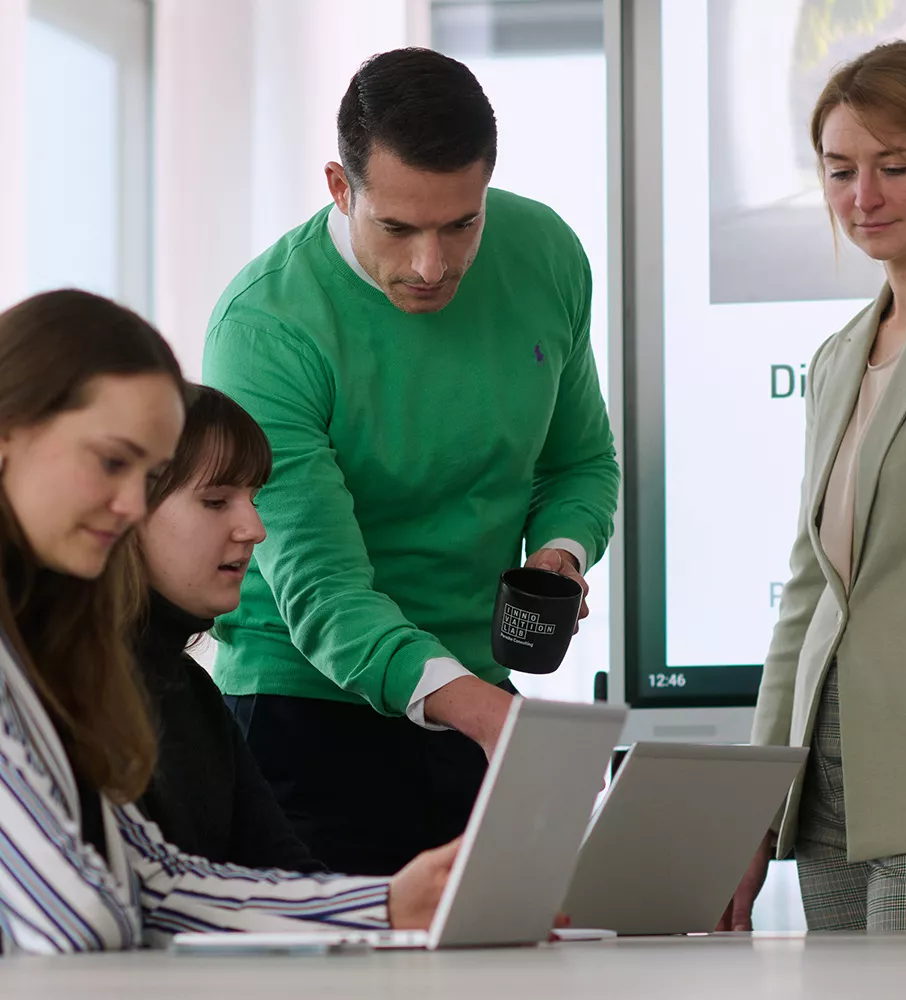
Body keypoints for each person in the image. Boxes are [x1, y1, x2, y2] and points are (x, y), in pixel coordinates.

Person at [202, 47, 619, 874]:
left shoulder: (546, 255)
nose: (432, 266)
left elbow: (580, 464)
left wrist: (561, 556)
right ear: (339, 187)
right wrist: (493, 718)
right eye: (398, 228)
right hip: (301, 708)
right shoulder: (264, 330)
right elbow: (323, 593)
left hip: (476, 696)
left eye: (461, 223)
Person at [0, 290, 456, 954]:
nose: (131, 505)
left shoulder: (46, 648)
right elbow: (77, 922)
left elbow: (154, 884)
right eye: (110, 462)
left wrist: (389, 904)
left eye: (150, 475)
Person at [721, 41, 906, 933]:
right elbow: (808, 592)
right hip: (826, 781)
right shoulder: (839, 357)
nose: (862, 198)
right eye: (840, 171)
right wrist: (754, 807)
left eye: (893, 166)